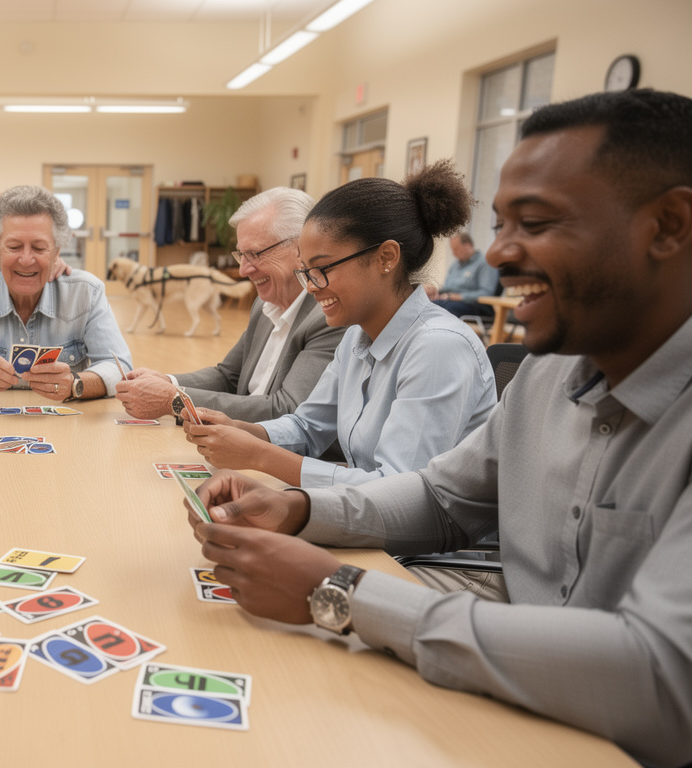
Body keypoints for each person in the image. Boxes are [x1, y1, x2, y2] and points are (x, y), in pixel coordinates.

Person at [185, 89, 692, 768]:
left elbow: (658, 676)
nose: (498, 254)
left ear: (669, 226)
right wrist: (300, 509)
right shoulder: (548, 374)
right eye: (502, 224)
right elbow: (442, 496)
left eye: (537, 222)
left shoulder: (445, 347)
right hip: (515, 660)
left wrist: (341, 593)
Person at [184, 162, 495, 487]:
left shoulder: (438, 347)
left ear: (386, 257)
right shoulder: (357, 338)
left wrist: (258, 455)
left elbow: (398, 492)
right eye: (305, 272)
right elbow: (307, 427)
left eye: (322, 269)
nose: (311, 286)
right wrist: (242, 430)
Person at [114, 187, 345, 421]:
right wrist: (167, 382)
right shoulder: (264, 306)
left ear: (300, 249)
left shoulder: (327, 317)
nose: (243, 270)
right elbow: (228, 377)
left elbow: (286, 410)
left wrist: (174, 399)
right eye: (241, 255)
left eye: (255, 254)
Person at [0, 185, 132, 401]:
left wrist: (75, 383)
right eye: (14, 246)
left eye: (39, 248)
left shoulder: (86, 292)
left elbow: (119, 368)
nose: (26, 260)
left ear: (56, 252)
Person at [424, 231, 497, 317]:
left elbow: (486, 293)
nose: (453, 253)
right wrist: (435, 292)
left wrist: (458, 296)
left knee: (440, 307)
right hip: (449, 300)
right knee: (426, 303)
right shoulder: (455, 266)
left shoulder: (484, 263)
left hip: (473, 305)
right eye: (452, 250)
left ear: (468, 245)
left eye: (456, 249)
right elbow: (448, 288)